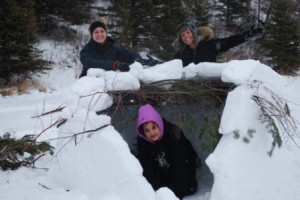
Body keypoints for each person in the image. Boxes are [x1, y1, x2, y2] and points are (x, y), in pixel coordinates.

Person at [136, 104, 198, 199]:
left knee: (188, 188)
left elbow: (180, 163)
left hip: (185, 163)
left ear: (159, 123)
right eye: (147, 130)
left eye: (154, 127)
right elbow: (147, 167)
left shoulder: (173, 133)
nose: (152, 133)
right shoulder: (143, 142)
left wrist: (175, 194)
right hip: (164, 166)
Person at [79, 19, 159, 77]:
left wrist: (138, 61)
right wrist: (114, 65)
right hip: (87, 87)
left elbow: (130, 54)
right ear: (91, 35)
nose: (100, 34)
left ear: (106, 33)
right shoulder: (86, 51)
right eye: (96, 32)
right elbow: (91, 63)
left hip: (108, 84)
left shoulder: (113, 48)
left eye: (102, 31)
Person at [173, 21, 264, 67]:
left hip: (210, 87)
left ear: (194, 33)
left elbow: (228, 42)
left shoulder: (209, 44)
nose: (186, 36)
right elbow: (168, 67)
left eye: (188, 32)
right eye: (183, 35)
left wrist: (246, 35)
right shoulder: (181, 53)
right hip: (189, 91)